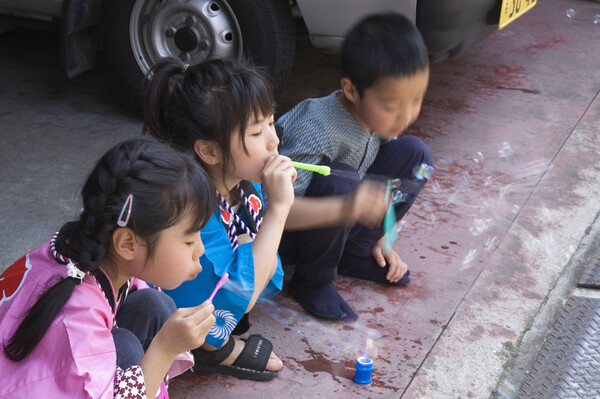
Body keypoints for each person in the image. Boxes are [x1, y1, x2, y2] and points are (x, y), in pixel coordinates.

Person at [0, 137, 217, 399]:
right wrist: (164, 349)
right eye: (189, 240)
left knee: (153, 306)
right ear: (127, 243)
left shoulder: (91, 253)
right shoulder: (76, 316)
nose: (201, 249)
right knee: (126, 348)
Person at [143, 57, 296, 381]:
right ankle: (212, 348)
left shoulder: (239, 179)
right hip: (152, 312)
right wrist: (279, 209)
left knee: (256, 245)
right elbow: (244, 294)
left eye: (270, 122)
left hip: (202, 291)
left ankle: (211, 339)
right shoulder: (190, 211)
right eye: (256, 131)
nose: (274, 140)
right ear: (209, 151)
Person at [277, 12, 435, 320]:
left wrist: (383, 238)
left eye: (416, 100)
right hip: (290, 238)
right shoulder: (316, 128)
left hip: (339, 220)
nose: (406, 116)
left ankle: (357, 252)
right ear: (351, 90)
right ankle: (312, 280)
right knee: (343, 179)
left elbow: (387, 179)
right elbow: (276, 210)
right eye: (391, 106)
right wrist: (347, 206)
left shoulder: (377, 120)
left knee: (416, 154)